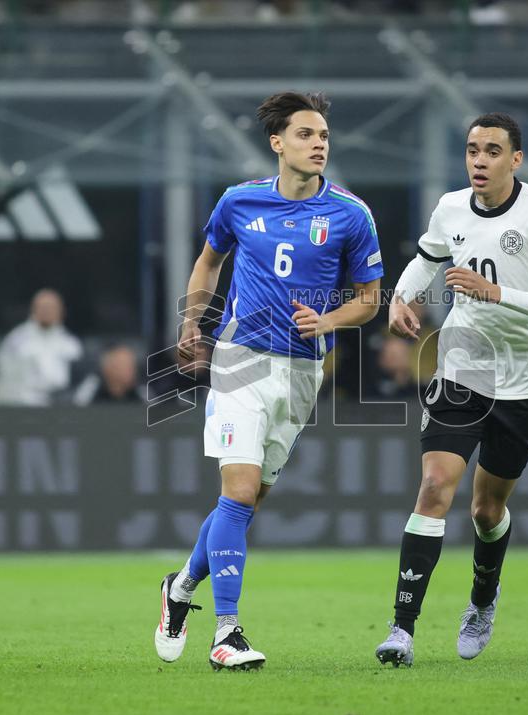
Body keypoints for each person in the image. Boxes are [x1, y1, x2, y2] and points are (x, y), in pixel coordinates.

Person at [155, 91, 383, 671]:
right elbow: (210, 261)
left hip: (304, 370)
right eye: (306, 135)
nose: (319, 144)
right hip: (241, 360)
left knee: (248, 501)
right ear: (278, 144)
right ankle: (226, 633)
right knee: (237, 492)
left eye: (324, 135)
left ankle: (180, 588)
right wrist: (190, 324)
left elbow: (369, 301)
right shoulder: (238, 201)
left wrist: (328, 320)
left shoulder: (351, 214)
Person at [374, 112, 528, 667]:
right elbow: (427, 259)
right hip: (464, 367)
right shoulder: (449, 208)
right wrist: (400, 297)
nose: (479, 161)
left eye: (493, 151)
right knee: (434, 485)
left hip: (525, 380)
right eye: (472, 150)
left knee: (486, 510)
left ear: (515, 159)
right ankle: (401, 630)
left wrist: (497, 293)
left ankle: (482, 600)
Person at [0, 289, 82, 406]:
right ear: (33, 309)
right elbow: (4, 377)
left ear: (61, 311)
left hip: (62, 406)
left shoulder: (70, 343)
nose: (47, 311)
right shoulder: (16, 340)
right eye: (43, 307)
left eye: (51, 307)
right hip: (24, 405)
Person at [72, 344, 144, 405]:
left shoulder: (141, 391)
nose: (131, 370)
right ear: (107, 368)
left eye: (132, 365)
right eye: (124, 365)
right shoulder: (92, 387)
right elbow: (76, 410)